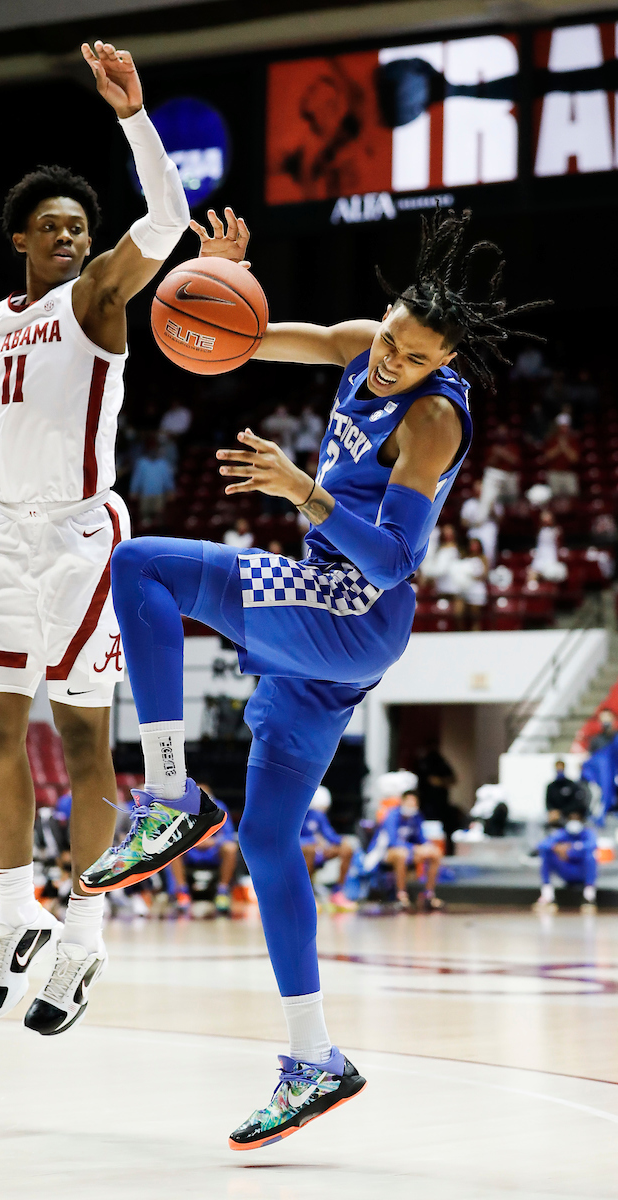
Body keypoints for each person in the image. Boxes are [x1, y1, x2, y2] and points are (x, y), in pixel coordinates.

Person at [78, 207, 546, 1147]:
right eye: (393, 340)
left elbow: (389, 561)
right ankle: (313, 1058)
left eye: (413, 358)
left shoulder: (433, 418)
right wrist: (221, 285)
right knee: (266, 840)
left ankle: (168, 791)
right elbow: (239, 340)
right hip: (326, 640)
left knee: (141, 568)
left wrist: (302, 490)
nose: (390, 363)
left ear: (441, 364)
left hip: (357, 608)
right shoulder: (364, 344)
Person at [0, 38, 223, 1036]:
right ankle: (16, 910)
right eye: (51, 227)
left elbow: (169, 220)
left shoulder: (99, 296)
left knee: (83, 744)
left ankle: (88, 932)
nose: (68, 237)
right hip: (4, 536)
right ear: (20, 236)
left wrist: (131, 116)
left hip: (78, 539)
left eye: (78, 228)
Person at [363, 790, 443, 910]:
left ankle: (428, 895)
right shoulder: (392, 815)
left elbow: (421, 838)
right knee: (401, 854)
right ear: (402, 802)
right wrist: (415, 848)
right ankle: (401, 896)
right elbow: (392, 842)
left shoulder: (416, 817)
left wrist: (428, 846)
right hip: (383, 852)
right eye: (409, 803)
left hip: (408, 851)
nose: (411, 806)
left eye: (414, 804)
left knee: (435, 852)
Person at [168, 783, 237, 915]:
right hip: (191, 850)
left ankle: (222, 893)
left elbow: (229, 835)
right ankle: (182, 893)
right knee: (172, 850)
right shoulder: (184, 810)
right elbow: (176, 835)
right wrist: (194, 842)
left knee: (230, 848)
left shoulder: (220, 807)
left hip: (213, 851)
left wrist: (214, 841)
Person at [299, 786, 356, 911]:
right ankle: (306, 895)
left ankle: (337, 892)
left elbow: (329, 835)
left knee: (347, 849)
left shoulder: (318, 815)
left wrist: (342, 841)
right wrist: (314, 841)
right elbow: (290, 838)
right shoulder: (296, 814)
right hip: (301, 853)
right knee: (309, 850)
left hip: (318, 851)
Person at [534, 807, 598, 913]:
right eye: (571, 818)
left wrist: (570, 849)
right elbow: (542, 845)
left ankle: (589, 898)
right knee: (546, 854)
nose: (574, 822)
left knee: (591, 857)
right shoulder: (562, 833)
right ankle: (547, 895)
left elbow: (592, 845)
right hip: (566, 870)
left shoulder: (587, 833)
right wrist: (556, 848)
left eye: (577, 819)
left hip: (581, 872)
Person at [415, 742, 463, 853]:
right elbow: (426, 781)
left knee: (445, 828)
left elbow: (452, 779)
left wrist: (440, 782)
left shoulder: (441, 762)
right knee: (428, 829)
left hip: (441, 803)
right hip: (427, 803)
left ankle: (445, 851)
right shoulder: (423, 763)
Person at [129, 437, 175, 526]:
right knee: (145, 518)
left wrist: (170, 490)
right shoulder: (141, 462)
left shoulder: (163, 463)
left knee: (159, 519)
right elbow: (137, 478)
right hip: (145, 495)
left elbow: (167, 478)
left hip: (159, 495)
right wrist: (133, 491)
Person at [479, 424, 520, 520]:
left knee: (513, 499)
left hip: (509, 474)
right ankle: (481, 520)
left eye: (504, 432)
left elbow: (516, 461)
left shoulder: (512, 446)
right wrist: (496, 455)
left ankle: (514, 518)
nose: (502, 435)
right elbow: (487, 463)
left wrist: (502, 453)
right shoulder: (491, 447)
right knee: (488, 498)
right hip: (494, 474)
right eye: (500, 432)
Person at [538, 412, 580, 498]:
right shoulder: (551, 439)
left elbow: (574, 459)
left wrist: (565, 447)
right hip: (554, 473)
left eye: (566, 426)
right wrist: (559, 447)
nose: (564, 428)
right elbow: (547, 457)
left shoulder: (573, 440)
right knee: (554, 497)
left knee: (573, 496)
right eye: (562, 426)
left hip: (569, 473)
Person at [545, 760, 587, 824]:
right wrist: (554, 811)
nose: (559, 770)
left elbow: (576, 802)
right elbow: (548, 803)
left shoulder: (571, 785)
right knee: (553, 817)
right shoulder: (551, 786)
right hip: (557, 815)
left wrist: (563, 811)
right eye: (558, 768)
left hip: (569, 813)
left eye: (561, 768)